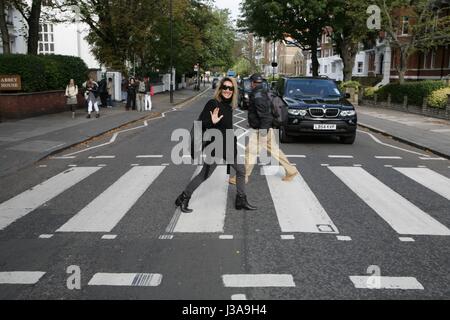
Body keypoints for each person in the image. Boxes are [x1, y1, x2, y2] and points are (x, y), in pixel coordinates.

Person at [175, 77, 257, 213]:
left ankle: (241, 199)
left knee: (241, 170)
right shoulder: (213, 104)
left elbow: (227, 128)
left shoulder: (230, 106)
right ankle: (183, 197)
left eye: (230, 88)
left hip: (229, 146)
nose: (227, 90)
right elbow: (201, 124)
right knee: (204, 175)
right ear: (220, 89)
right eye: (224, 87)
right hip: (216, 147)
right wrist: (211, 122)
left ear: (233, 91)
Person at [229, 73, 298, 185]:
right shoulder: (263, 92)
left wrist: (262, 133)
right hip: (266, 128)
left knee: (250, 153)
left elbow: (265, 116)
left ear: (252, 83)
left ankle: (242, 177)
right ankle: (291, 171)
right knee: (275, 152)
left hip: (261, 130)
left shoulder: (258, 96)